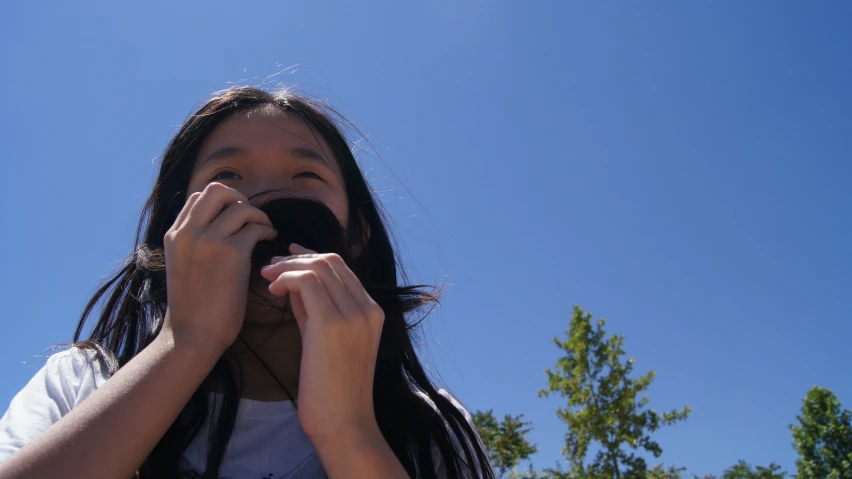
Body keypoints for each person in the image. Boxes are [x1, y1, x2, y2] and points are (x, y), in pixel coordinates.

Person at [0, 86, 495, 479]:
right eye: (228, 175)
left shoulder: (428, 427)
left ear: (357, 235)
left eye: (305, 175)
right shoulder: (81, 384)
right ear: (178, 228)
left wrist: (350, 434)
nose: (265, 197)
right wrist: (184, 344)